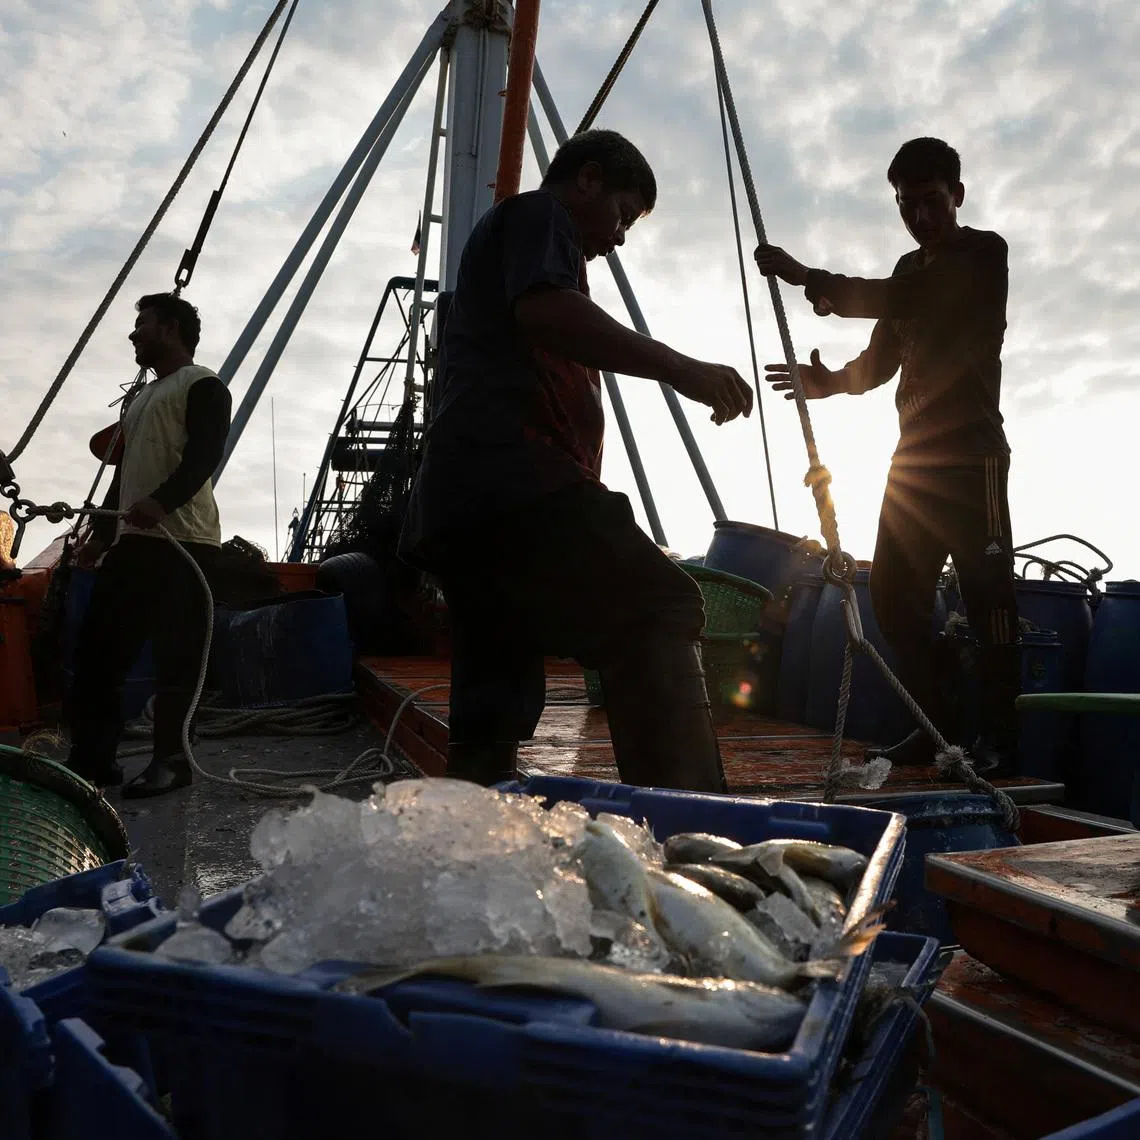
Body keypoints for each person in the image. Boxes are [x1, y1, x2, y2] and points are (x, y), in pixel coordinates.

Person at [399, 129, 753, 791]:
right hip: (514, 483)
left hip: (464, 503)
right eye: (621, 214)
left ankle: (468, 843)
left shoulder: (521, 248)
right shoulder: (538, 216)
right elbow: (549, 314)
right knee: (657, 604)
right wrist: (682, 369)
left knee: (493, 700)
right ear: (586, 179)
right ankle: (690, 828)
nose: (618, 237)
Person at [754, 137, 1019, 776]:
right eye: (908, 206)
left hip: (973, 461)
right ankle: (935, 727)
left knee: (991, 606)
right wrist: (829, 381)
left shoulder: (983, 255)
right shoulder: (908, 271)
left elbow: (905, 302)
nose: (921, 218)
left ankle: (1001, 738)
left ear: (957, 194)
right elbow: (880, 360)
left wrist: (808, 280)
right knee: (897, 602)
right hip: (913, 466)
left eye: (932, 202)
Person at [67, 293, 232, 797]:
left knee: (176, 659)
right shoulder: (139, 401)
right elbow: (123, 483)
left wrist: (161, 503)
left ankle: (171, 762)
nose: (134, 334)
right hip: (133, 543)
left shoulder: (203, 386)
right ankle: (94, 761)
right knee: (99, 654)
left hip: (183, 544)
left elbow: (204, 456)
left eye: (143, 325)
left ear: (171, 328)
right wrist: (99, 537)